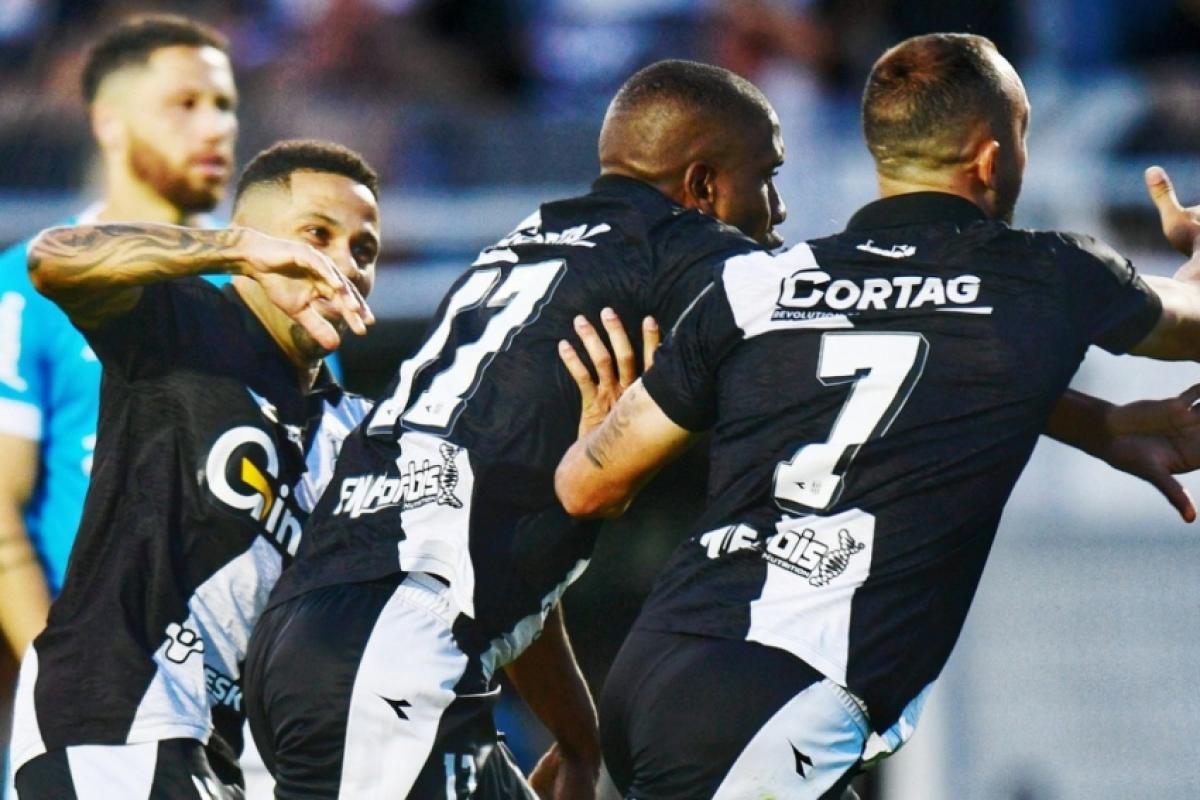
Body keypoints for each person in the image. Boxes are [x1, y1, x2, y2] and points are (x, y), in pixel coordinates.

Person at [555, 33, 1200, 799]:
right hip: (779, 703)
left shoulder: (760, 286)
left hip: (653, 671)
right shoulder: (1045, 273)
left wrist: (1094, 426)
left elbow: (585, 488)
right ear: (992, 158)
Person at [242, 59, 788, 799]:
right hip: (394, 664)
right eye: (766, 176)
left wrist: (578, 739)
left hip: (316, 644)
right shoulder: (689, 250)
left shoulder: (528, 242)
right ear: (702, 187)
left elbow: (495, 544)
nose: (778, 208)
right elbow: (830, 322)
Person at [9, 139, 377, 799]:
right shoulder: (183, 323)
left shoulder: (353, 432)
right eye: (316, 235)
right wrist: (232, 249)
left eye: (365, 249)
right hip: (113, 719)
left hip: (211, 747)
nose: (343, 263)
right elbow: (53, 258)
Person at [0, 12, 237, 688]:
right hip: (99, 695)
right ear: (108, 121)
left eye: (223, 105)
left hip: (250, 715)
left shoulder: (274, 285)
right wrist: (61, 682)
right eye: (184, 105)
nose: (216, 126)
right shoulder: (25, 284)